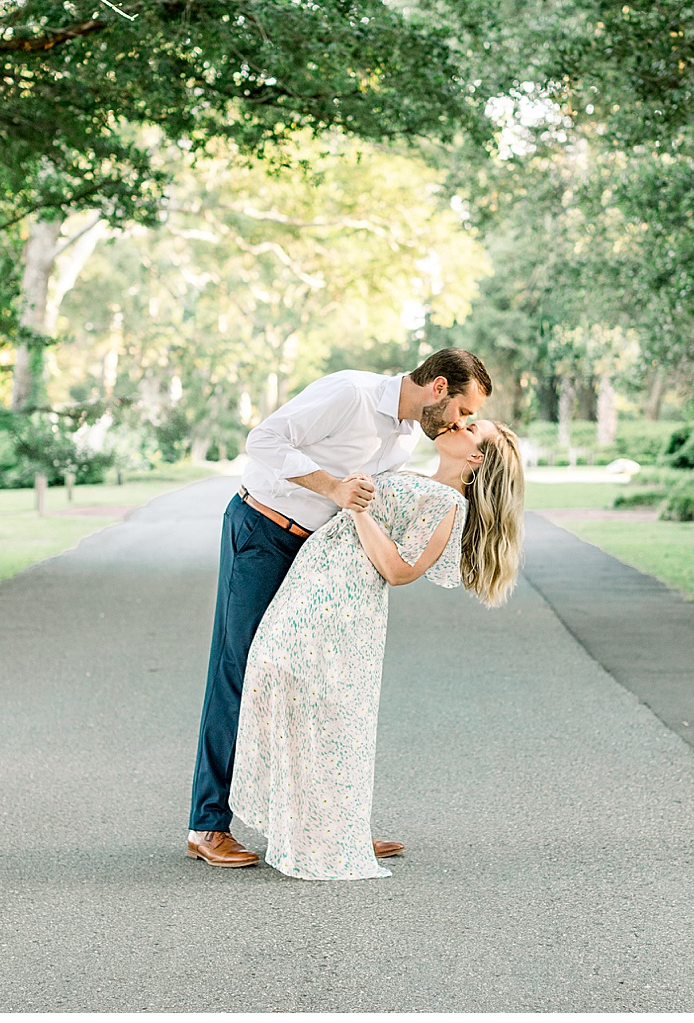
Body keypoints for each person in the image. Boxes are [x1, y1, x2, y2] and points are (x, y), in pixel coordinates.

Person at [187, 349, 492, 868]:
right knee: (239, 672)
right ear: (439, 387)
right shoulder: (351, 393)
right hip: (263, 532)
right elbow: (263, 440)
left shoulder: (403, 437)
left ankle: (332, 829)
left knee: (317, 690)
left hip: (315, 554)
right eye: (463, 410)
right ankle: (207, 825)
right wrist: (332, 486)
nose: (461, 422)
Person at [228, 417, 525, 879]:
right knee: (284, 686)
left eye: (471, 428)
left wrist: (359, 510)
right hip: (314, 579)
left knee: (318, 708)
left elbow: (400, 570)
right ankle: (322, 823)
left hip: (341, 600)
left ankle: (331, 830)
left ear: (475, 457)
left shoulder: (448, 503)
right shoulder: (417, 477)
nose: (458, 423)